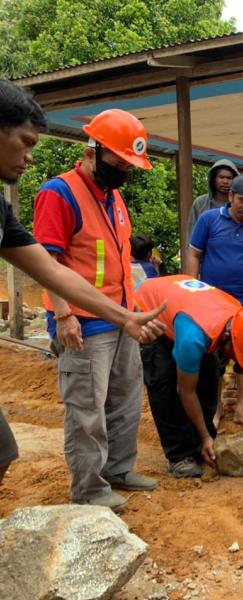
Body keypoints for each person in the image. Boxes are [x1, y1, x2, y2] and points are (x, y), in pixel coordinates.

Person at [0, 80, 165, 490]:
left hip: (116, 316)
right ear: (94, 151)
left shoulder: (114, 198)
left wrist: (128, 316)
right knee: (87, 411)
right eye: (120, 162)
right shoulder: (60, 192)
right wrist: (64, 313)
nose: (124, 172)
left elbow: (100, 262)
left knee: (125, 402)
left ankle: (119, 470)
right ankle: (90, 487)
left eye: (130, 166)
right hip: (83, 324)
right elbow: (51, 264)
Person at [136, 275, 243, 477]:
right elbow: (186, 391)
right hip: (151, 309)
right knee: (163, 382)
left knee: (209, 381)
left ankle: (201, 447)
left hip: (187, 310)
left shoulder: (241, 323)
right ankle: (179, 455)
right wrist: (205, 436)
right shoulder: (193, 338)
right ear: (229, 339)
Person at [188, 174, 243, 429]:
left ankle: (241, 409)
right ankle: (215, 410)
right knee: (213, 361)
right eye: (242, 200)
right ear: (230, 197)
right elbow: (195, 254)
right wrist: (190, 291)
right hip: (213, 305)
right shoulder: (208, 220)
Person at [186, 159, 239, 240]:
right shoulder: (200, 203)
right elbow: (191, 234)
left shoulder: (239, 204)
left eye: (229, 178)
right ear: (214, 179)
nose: (225, 181)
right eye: (221, 177)